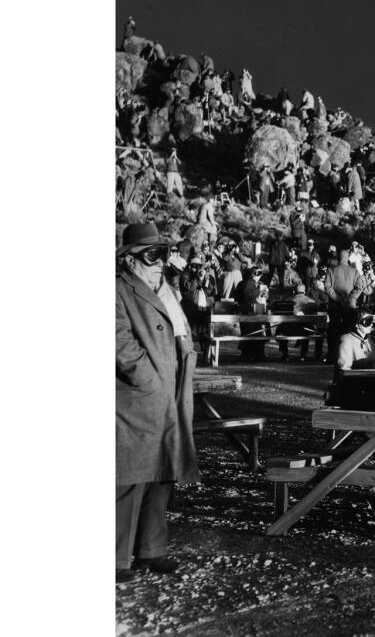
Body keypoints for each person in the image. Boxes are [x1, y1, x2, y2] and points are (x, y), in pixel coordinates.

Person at [116, 223, 199, 582]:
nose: (158, 262)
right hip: (138, 395)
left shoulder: (164, 287)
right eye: (150, 255)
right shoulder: (116, 288)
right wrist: (148, 379)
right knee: (129, 478)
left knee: (162, 471)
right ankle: (115, 558)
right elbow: (117, 340)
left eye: (162, 253)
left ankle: (151, 550)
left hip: (172, 390)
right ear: (130, 258)